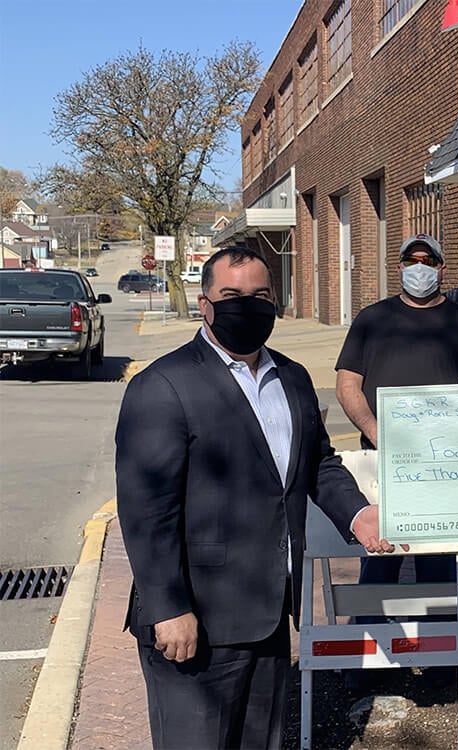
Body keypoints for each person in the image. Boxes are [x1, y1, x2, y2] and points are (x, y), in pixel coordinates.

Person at [115, 246, 395, 749]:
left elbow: (318, 463)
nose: (248, 305)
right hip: (196, 620)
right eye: (232, 295)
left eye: (260, 295)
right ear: (205, 304)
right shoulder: (162, 385)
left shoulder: (292, 377)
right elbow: (146, 512)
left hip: (268, 612)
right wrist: (167, 608)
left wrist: (358, 513)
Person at [336, 233, 458, 591]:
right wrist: (375, 431)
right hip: (383, 461)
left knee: (439, 562)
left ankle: (440, 639)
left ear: (442, 269)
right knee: (380, 558)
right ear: (399, 268)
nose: (419, 268)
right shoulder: (372, 319)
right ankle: (370, 634)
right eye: (411, 261)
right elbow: (347, 384)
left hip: (443, 467)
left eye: (427, 261)